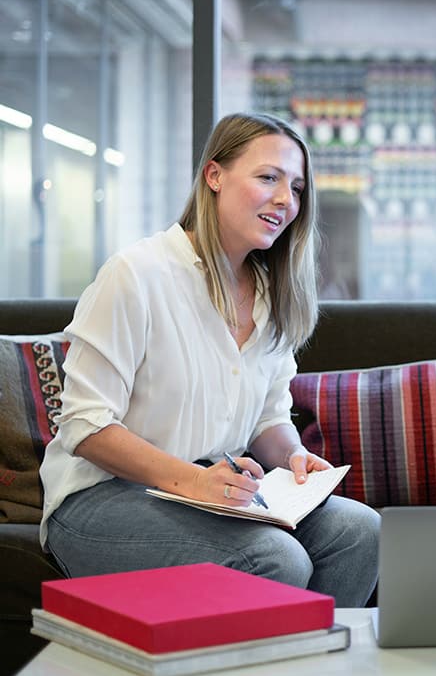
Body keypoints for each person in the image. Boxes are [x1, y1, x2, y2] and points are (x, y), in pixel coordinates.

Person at [39, 112, 380, 606]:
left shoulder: (271, 294)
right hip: (103, 497)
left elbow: (268, 419)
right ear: (214, 176)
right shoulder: (136, 275)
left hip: (212, 494)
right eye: (269, 178)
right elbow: (85, 426)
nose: (286, 200)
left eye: (297, 188)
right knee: (276, 558)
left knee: (361, 532)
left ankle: (300, 649)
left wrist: (292, 456)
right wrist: (197, 481)